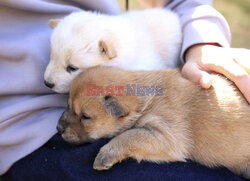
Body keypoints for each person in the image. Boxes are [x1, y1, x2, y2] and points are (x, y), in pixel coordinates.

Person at [0, 0, 248, 179]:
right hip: (24, 130)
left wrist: (202, 43)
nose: (50, 77)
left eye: (83, 117)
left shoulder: (141, 95)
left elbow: (181, 2)